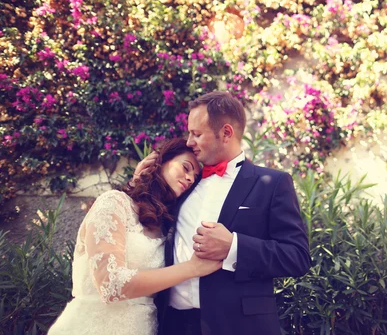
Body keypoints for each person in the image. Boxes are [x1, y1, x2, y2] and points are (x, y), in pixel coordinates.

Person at [134, 91, 311, 335]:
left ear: (226, 133)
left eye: (197, 134)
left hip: (239, 326)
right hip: (173, 324)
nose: (188, 142)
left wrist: (233, 246)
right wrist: (144, 177)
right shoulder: (186, 182)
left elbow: (297, 256)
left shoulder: (272, 183)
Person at [48, 138, 222, 335]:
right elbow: (110, 283)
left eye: (194, 176)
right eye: (186, 167)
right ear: (160, 161)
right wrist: (192, 268)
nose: (190, 178)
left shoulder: (167, 227)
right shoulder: (114, 203)